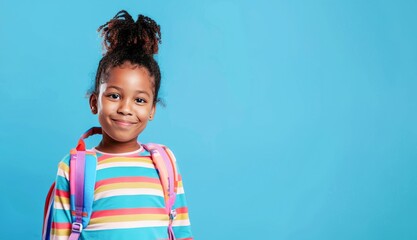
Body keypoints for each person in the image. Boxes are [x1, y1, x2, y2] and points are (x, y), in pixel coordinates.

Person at [49, 10, 193, 240]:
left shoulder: (165, 162)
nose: (126, 108)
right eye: (114, 96)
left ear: (152, 110)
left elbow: (181, 231)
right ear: (95, 103)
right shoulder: (74, 169)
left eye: (139, 100)